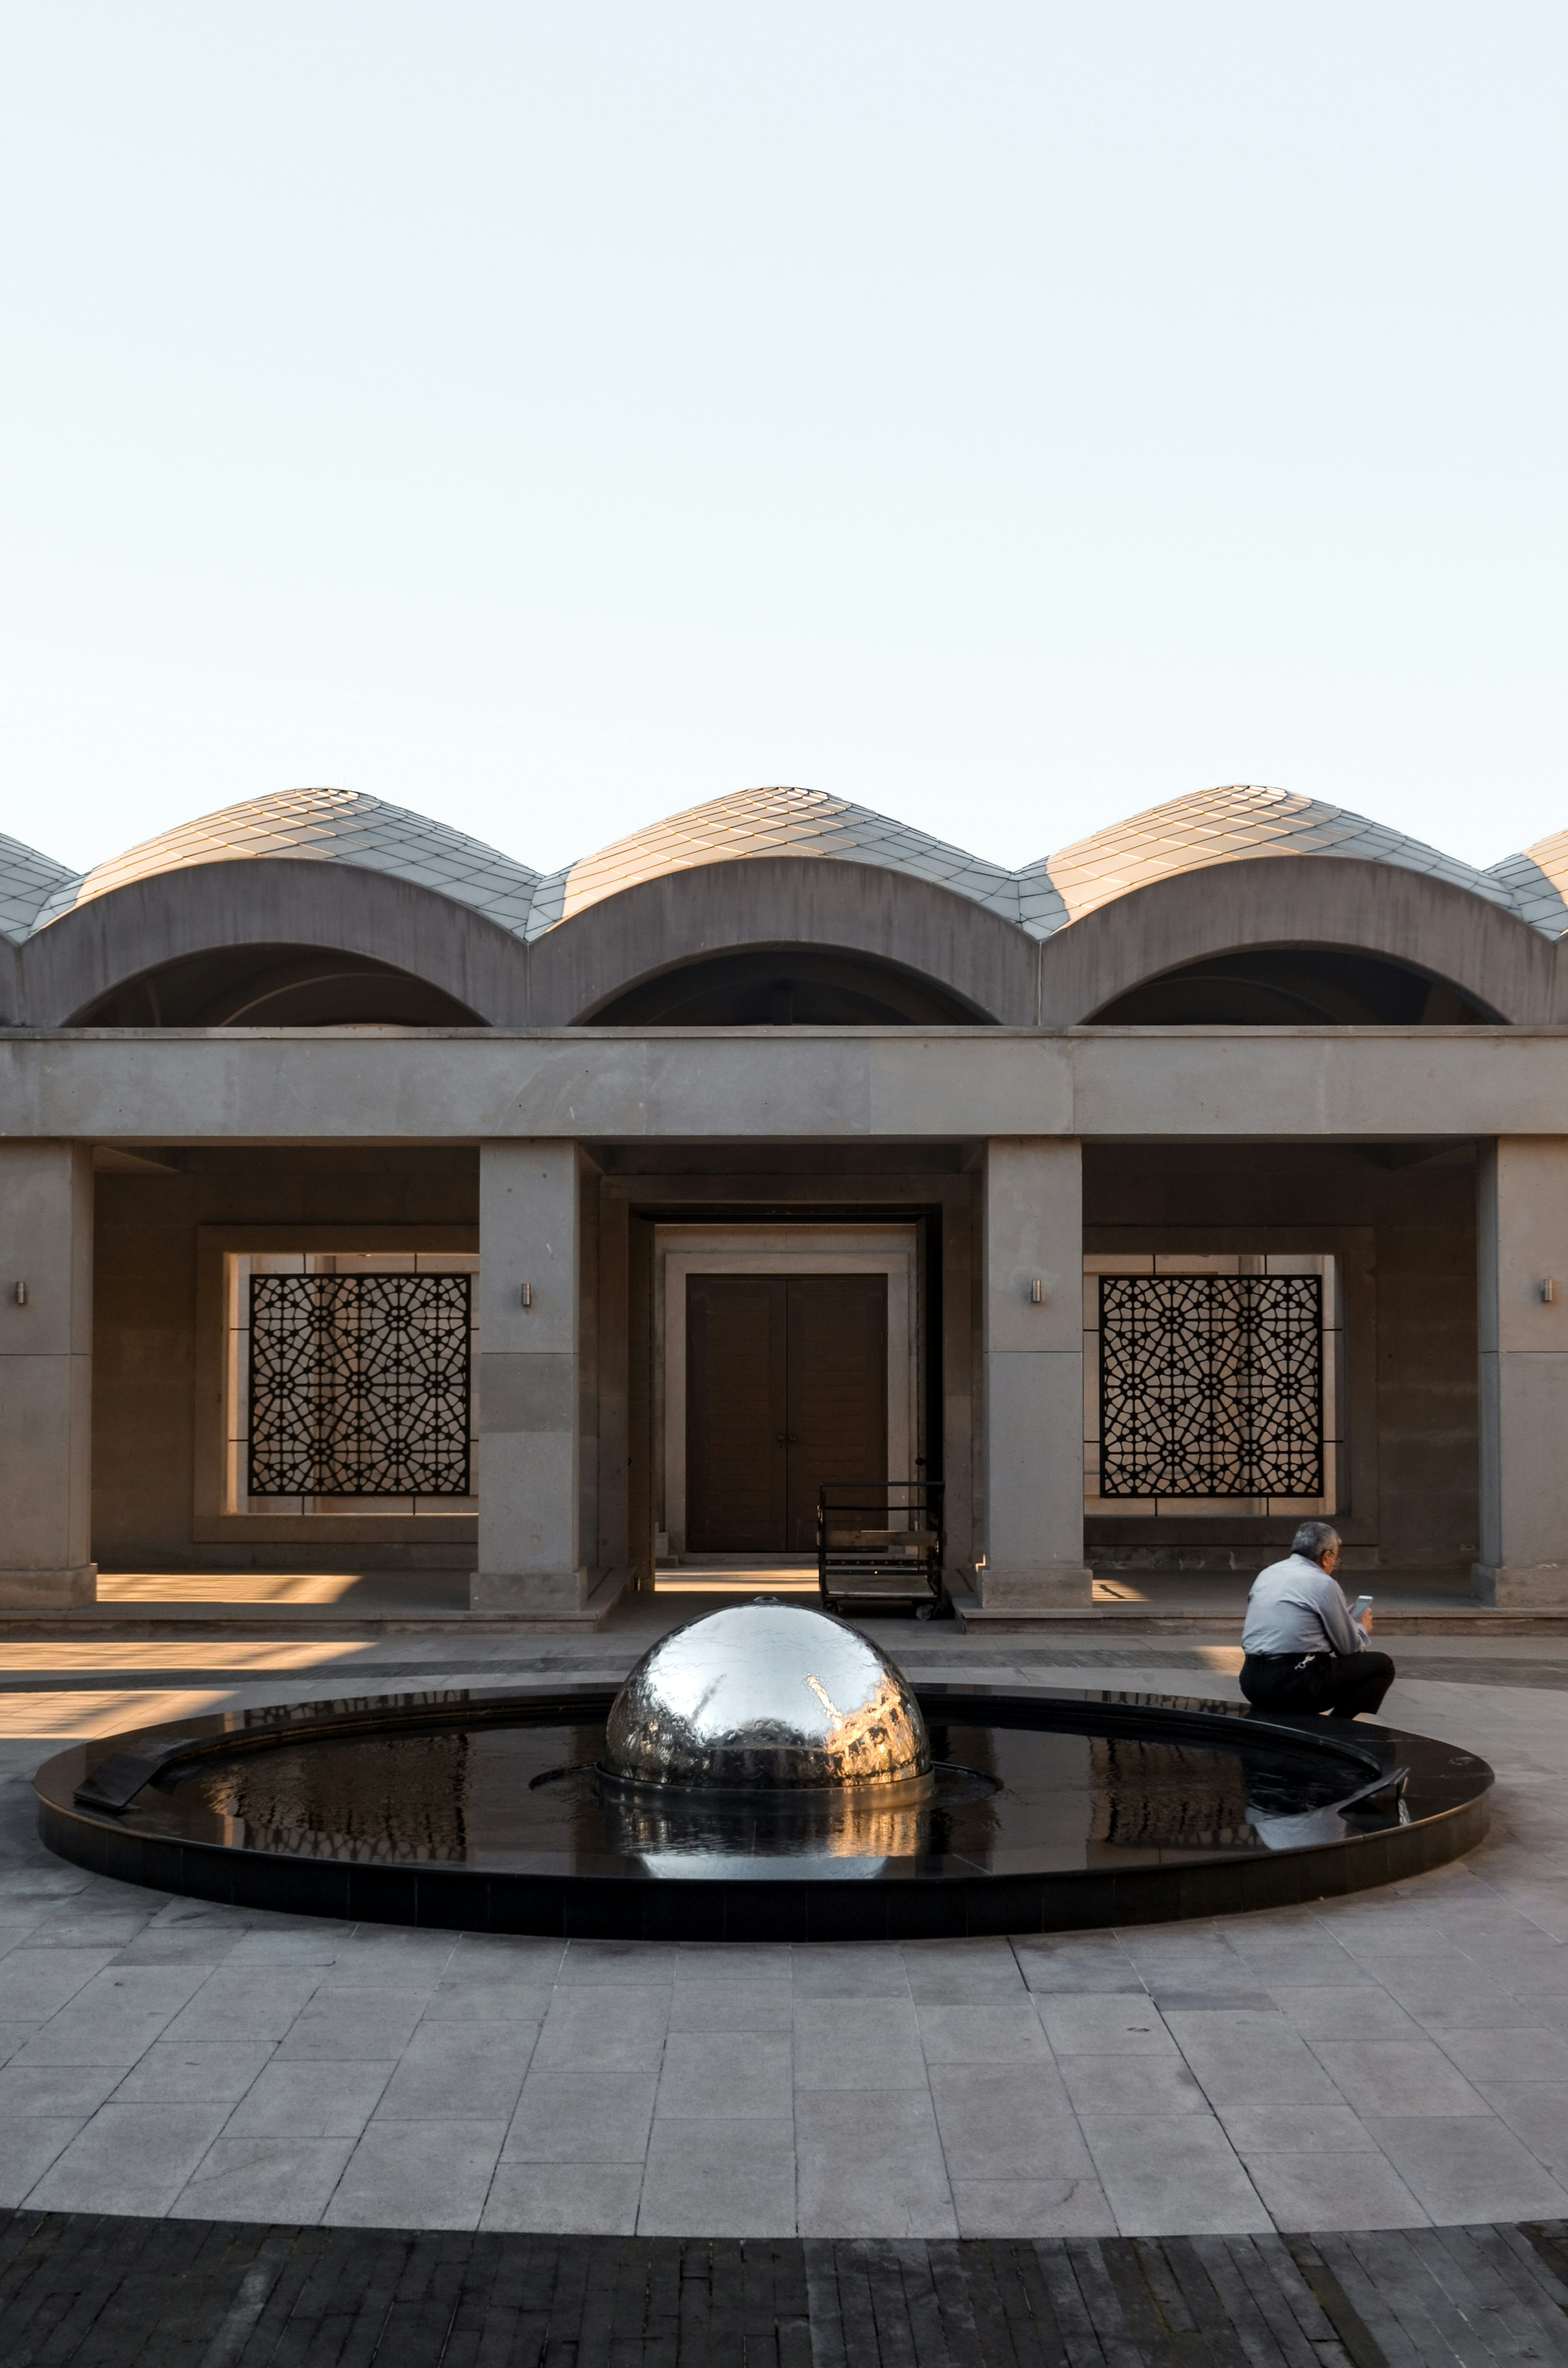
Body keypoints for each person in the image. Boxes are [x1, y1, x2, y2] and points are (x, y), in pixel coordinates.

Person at [1239, 1520, 1395, 1718]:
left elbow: (1297, 1627)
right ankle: (1340, 1729)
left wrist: (1342, 1621)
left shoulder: (1268, 1574)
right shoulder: (1323, 1584)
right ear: (1326, 1557)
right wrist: (1360, 1628)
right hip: (1292, 1685)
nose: (1333, 1565)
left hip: (1252, 1682)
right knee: (1382, 1665)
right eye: (1335, 1560)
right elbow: (1349, 1649)